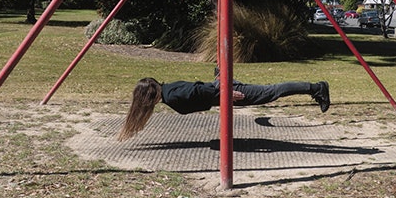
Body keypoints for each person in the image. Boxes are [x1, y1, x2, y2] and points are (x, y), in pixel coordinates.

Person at [118, 75, 330, 140]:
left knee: (270, 92)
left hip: (226, 91)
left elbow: (199, 91)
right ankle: (314, 88)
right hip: (220, 89)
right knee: (270, 92)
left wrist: (225, 93)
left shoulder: (173, 96)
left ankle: (316, 88)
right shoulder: (168, 90)